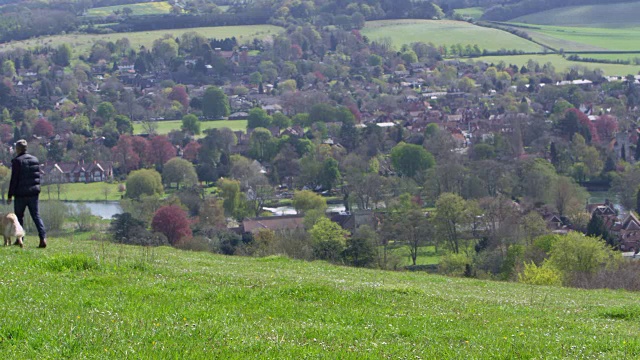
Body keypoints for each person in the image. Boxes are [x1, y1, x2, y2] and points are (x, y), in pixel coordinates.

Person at [7, 139, 46, 248]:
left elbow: (14, 179)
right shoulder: (35, 159)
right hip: (33, 193)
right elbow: (37, 177)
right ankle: (43, 238)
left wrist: (10, 195)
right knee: (36, 216)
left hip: (21, 194)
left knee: (19, 218)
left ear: (17, 149)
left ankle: (20, 239)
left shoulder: (17, 161)